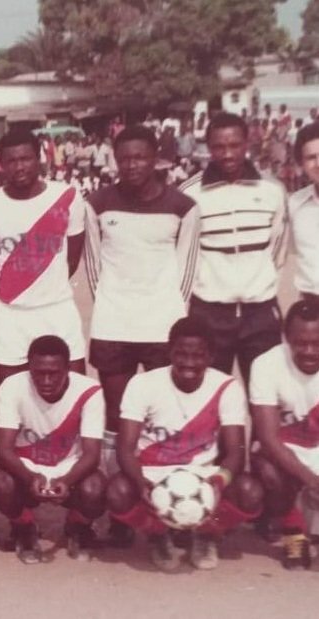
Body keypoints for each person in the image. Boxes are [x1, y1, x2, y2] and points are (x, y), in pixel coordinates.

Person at [84, 126, 200, 550]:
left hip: (162, 327)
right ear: (115, 159)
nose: (132, 165)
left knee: (160, 418)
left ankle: (166, 508)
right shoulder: (97, 204)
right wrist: (113, 307)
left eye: (141, 157)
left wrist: (170, 316)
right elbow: (93, 268)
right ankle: (122, 511)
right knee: (117, 418)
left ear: (157, 159)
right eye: (124, 158)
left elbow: (187, 272)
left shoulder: (184, 207)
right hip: (114, 325)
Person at [107, 317, 263, 572]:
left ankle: (206, 536)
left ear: (210, 357)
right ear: (170, 352)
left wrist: (220, 480)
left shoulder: (226, 386)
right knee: (117, 491)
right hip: (152, 472)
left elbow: (236, 452)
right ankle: (158, 536)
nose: (189, 363)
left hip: (201, 474)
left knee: (250, 491)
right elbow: (125, 447)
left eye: (198, 355)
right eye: (181, 354)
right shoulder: (143, 383)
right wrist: (139, 481)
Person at [0, 129, 87, 385]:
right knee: (12, 397)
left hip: (58, 310)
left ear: (39, 159)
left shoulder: (67, 197)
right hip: (12, 315)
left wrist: (46, 285)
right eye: (11, 161)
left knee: (74, 394)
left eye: (26, 159)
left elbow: (73, 257)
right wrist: (18, 287)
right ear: (0, 165)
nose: (19, 167)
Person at [181, 112, 287, 383]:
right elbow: (184, 256)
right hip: (209, 314)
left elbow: (277, 249)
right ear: (208, 148)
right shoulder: (189, 196)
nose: (227, 154)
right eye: (219, 146)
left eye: (235, 145)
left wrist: (257, 283)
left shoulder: (272, 190)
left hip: (261, 313)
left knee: (265, 399)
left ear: (248, 144)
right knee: (210, 397)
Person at [0, 335, 106, 563]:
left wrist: (67, 479)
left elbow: (92, 454)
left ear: (68, 369)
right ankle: (24, 528)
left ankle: (77, 526)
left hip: (68, 467)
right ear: (29, 369)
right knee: (1, 483)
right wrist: (30, 476)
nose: (45, 380)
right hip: (28, 466)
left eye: (53, 373)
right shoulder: (13, 386)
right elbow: (4, 450)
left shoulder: (90, 391)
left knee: (95, 488)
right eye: (38, 373)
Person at [249, 300, 319, 569]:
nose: (310, 351)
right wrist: (313, 481)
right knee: (268, 470)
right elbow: (268, 438)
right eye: (301, 343)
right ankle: (294, 532)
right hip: (286, 448)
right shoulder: (266, 364)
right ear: (286, 338)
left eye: (317, 343)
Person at [287, 122, 319, 303]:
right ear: (301, 163)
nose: (318, 164)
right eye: (311, 158)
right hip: (310, 307)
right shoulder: (294, 205)